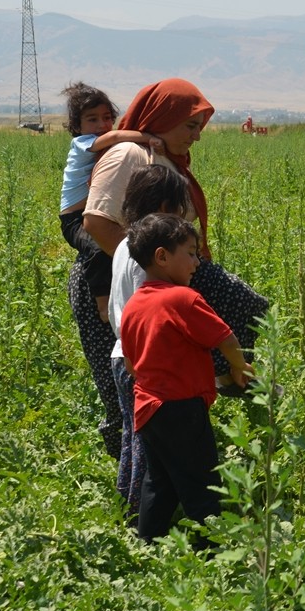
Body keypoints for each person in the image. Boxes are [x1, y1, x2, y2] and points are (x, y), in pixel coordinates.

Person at [73, 78, 268, 459]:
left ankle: (225, 379)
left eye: (200, 127)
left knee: (164, 379)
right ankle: (139, 485)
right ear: (163, 117)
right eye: (190, 125)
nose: (196, 136)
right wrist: (147, 272)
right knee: (128, 389)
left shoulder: (162, 158)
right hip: (113, 280)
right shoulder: (129, 153)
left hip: (154, 282)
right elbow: (96, 222)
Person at [120, 213, 255, 549]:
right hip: (182, 409)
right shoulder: (182, 299)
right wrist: (240, 369)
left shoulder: (134, 305)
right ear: (162, 257)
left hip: (148, 408)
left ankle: (146, 544)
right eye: (191, 253)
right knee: (202, 484)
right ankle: (212, 557)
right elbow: (225, 338)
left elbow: (130, 364)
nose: (197, 261)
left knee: (159, 482)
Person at [108, 166, 192, 520]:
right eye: (179, 209)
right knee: (151, 444)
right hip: (144, 362)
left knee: (134, 436)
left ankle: (127, 505)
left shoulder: (125, 245)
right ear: (162, 207)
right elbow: (157, 314)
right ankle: (146, 515)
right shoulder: (152, 257)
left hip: (121, 354)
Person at [58, 82, 164, 323]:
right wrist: (149, 138)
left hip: (94, 212)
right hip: (74, 220)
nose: (101, 125)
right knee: (97, 249)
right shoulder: (82, 143)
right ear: (77, 126)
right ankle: (103, 306)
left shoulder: (107, 147)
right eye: (92, 119)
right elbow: (116, 135)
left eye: (107, 118)